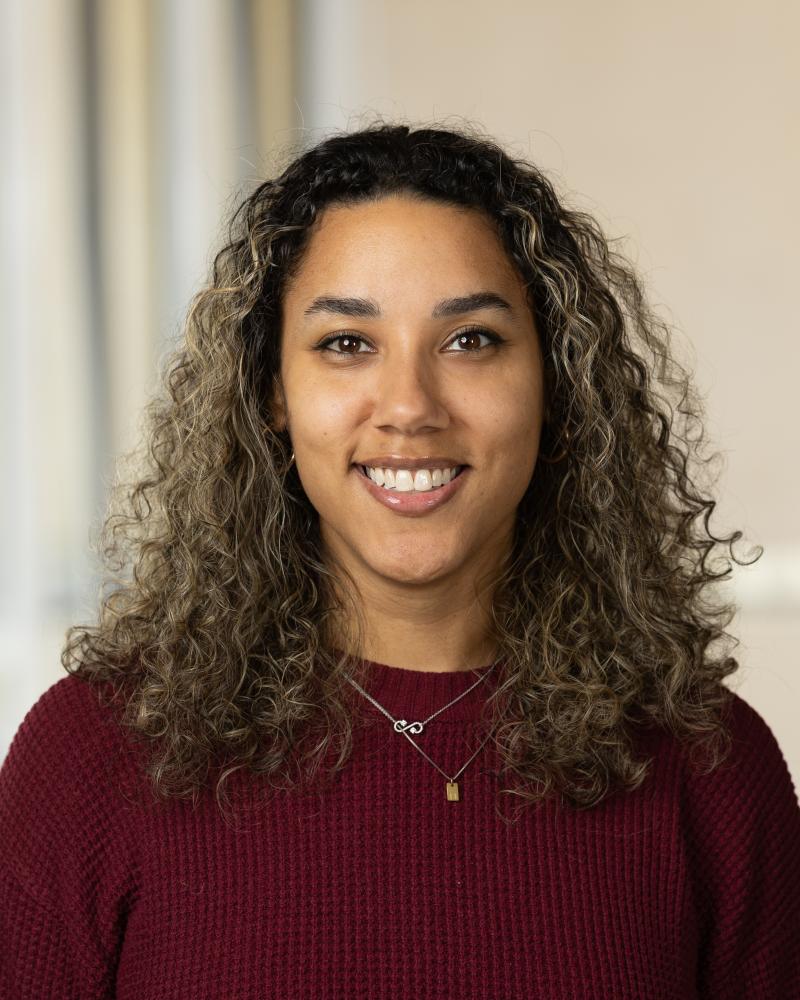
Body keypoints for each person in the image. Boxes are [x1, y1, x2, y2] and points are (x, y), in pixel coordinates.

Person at [1, 119, 798, 999]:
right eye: (348, 344)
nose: (410, 406)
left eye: (470, 341)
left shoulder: (709, 772)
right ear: (273, 393)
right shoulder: (93, 760)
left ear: (557, 387)